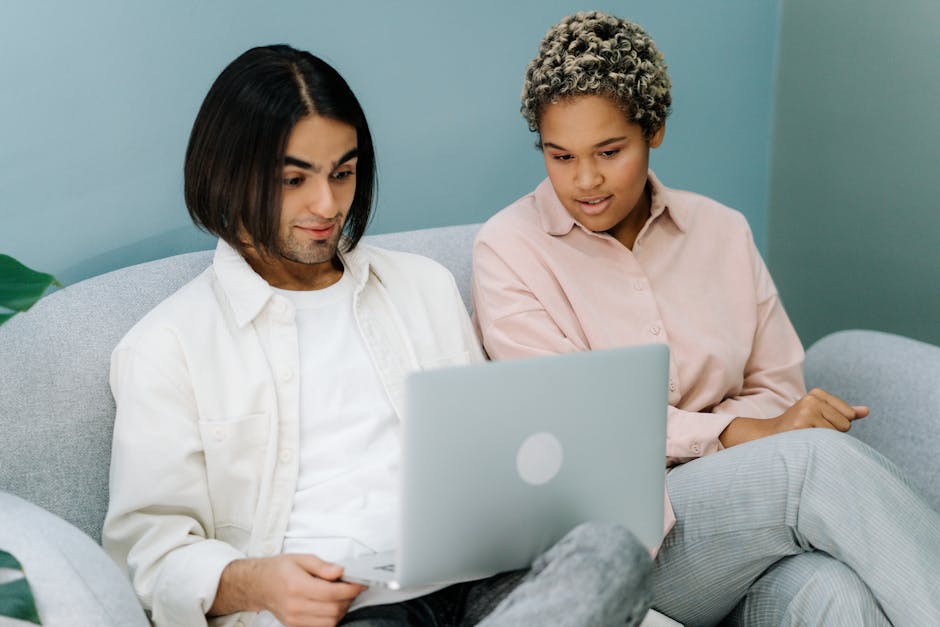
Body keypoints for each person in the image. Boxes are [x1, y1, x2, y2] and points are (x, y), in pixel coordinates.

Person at [102, 44, 652, 627]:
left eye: (343, 173)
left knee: (610, 551)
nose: (327, 204)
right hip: (350, 606)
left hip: (479, 578)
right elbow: (147, 554)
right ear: (226, 176)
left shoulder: (423, 287)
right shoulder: (167, 346)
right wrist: (253, 581)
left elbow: (490, 456)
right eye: (295, 179)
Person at [471, 11, 940, 626]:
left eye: (609, 152)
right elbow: (575, 423)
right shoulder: (508, 249)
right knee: (815, 463)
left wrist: (749, 434)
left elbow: (777, 388)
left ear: (654, 130)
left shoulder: (722, 230)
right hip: (625, 537)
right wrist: (735, 435)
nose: (584, 181)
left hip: (742, 528)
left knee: (833, 592)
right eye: (560, 156)